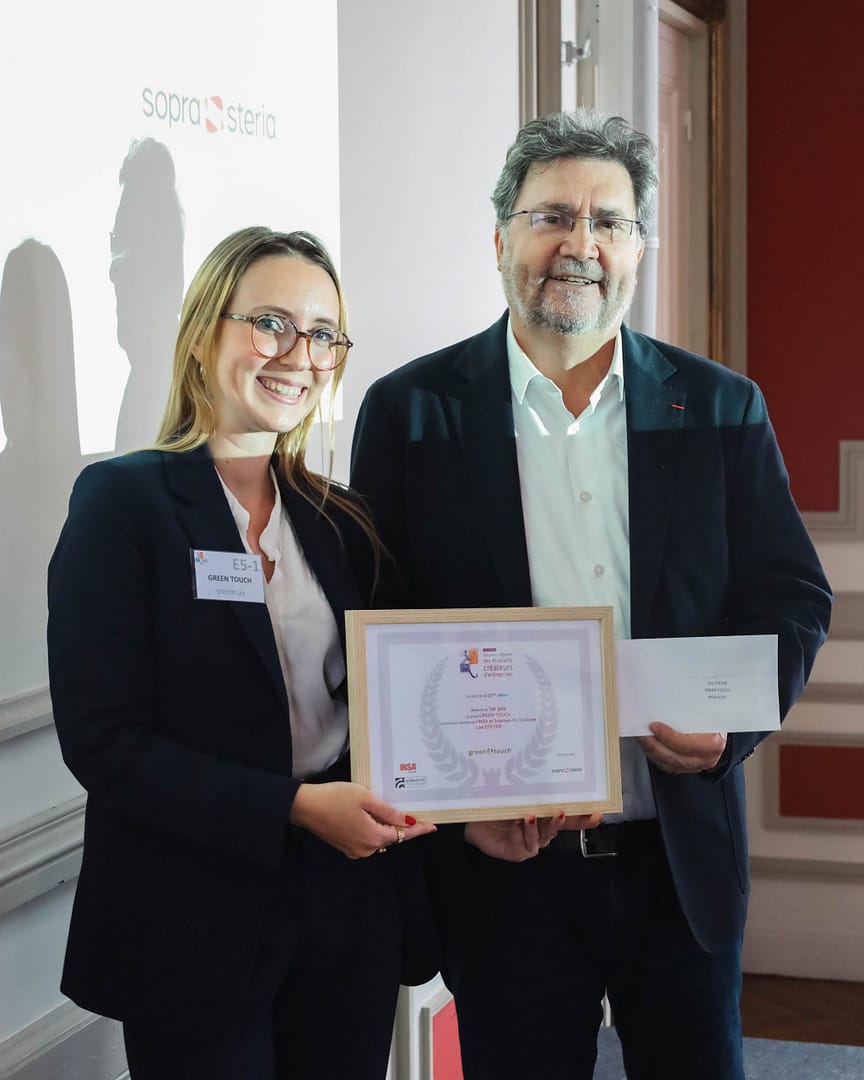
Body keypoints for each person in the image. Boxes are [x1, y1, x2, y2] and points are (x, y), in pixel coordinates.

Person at [350, 109, 832, 1080]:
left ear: (638, 248)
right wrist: (454, 811)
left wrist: (733, 731)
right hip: (502, 873)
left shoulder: (720, 407)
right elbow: (376, 627)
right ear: (500, 240)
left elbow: (792, 596)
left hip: (678, 862)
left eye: (609, 221)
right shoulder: (410, 413)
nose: (581, 244)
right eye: (552, 217)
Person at [48, 226, 436, 1080]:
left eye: (323, 334)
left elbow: (399, 698)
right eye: (271, 322)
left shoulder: (342, 522)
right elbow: (104, 742)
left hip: (346, 901)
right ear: (202, 335)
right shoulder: (124, 503)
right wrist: (293, 807)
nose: (299, 354)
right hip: (191, 910)